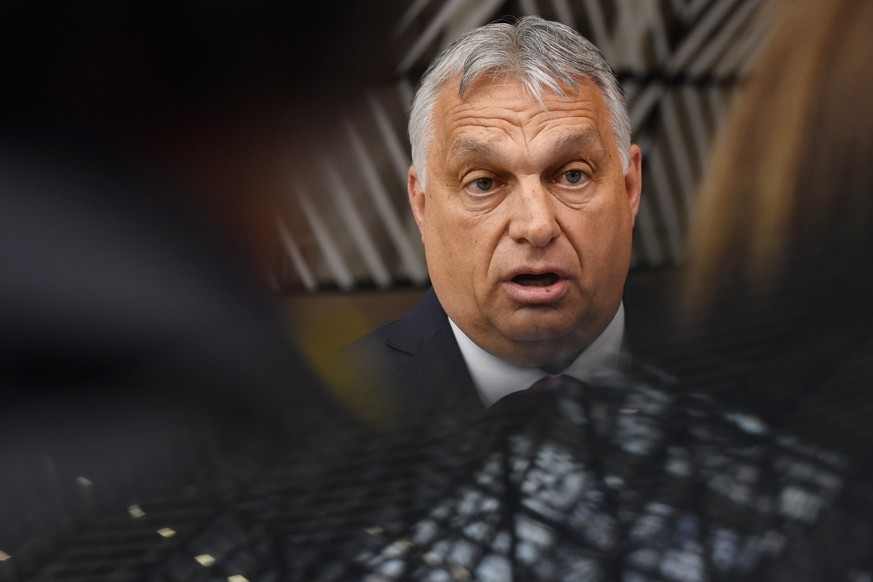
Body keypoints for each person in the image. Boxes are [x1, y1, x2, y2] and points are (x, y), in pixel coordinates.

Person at [339, 16, 666, 427]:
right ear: (422, 205)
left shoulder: (746, 364)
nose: (536, 225)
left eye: (572, 176)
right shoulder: (322, 420)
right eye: (483, 183)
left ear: (630, 187)